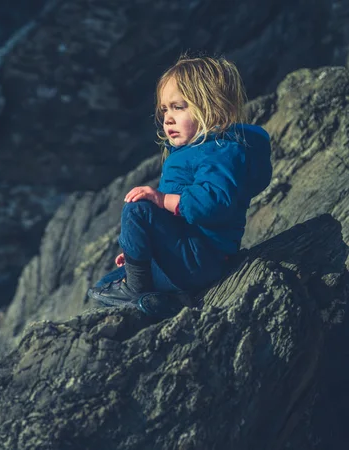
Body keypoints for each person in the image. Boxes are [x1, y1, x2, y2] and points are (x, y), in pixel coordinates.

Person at [87, 54, 272, 319]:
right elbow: (174, 222)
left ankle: (140, 290)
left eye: (178, 107)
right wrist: (140, 249)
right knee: (103, 286)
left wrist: (161, 200)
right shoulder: (194, 151)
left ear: (212, 107)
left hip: (201, 257)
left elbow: (213, 203)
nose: (168, 118)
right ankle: (164, 297)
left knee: (138, 209)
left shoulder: (220, 151)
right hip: (190, 254)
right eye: (164, 109)